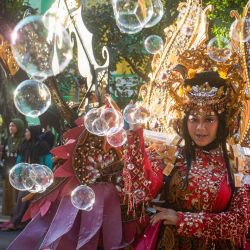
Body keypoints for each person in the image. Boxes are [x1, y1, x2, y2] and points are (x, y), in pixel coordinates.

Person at [122, 54, 250, 249]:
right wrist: (134, 134)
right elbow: (140, 191)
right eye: (193, 119)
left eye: (209, 119)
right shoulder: (170, 154)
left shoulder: (239, 164)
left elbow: (239, 222)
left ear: (223, 123)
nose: (200, 128)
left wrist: (182, 219)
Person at [1, 125, 53, 231]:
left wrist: (45, 175)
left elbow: (48, 161)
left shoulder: (42, 145)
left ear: (33, 133)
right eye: (25, 132)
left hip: (38, 178)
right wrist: (18, 173)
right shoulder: (25, 144)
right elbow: (20, 160)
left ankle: (18, 221)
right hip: (27, 177)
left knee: (26, 198)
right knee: (21, 198)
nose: (25, 134)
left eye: (27, 132)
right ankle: (16, 220)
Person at [1, 118, 24, 216]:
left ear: (19, 127)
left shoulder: (23, 140)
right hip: (7, 168)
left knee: (16, 192)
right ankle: (6, 212)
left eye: (13, 125)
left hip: (17, 169)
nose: (11, 127)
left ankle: (15, 214)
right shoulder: (8, 139)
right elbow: (4, 155)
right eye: (10, 125)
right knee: (7, 190)